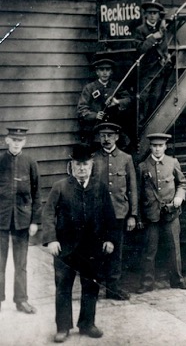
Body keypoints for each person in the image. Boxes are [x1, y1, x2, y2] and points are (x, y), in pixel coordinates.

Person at [42, 143, 117, 343]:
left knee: (91, 286)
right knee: (63, 287)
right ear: (72, 165)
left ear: (91, 165)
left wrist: (110, 239)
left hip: (92, 248)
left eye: (85, 164)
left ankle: (87, 324)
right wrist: (51, 239)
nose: (82, 168)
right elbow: (48, 214)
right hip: (65, 249)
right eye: (78, 164)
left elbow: (109, 215)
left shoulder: (99, 187)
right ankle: (63, 327)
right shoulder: (60, 187)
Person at [136, 133, 186, 293]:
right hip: (150, 215)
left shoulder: (172, 162)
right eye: (154, 146)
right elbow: (138, 194)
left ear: (165, 146)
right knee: (149, 250)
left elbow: (182, 183)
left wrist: (179, 197)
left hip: (171, 214)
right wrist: (139, 216)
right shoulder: (143, 166)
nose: (157, 149)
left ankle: (177, 280)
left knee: (174, 249)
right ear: (150, 147)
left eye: (160, 146)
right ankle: (147, 283)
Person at [92, 123, 138, 300]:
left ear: (117, 137)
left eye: (110, 135)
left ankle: (113, 288)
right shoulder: (94, 158)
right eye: (103, 135)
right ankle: (94, 288)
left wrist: (133, 214)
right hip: (98, 215)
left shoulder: (126, 159)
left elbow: (132, 188)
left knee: (116, 252)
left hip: (119, 213)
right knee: (96, 250)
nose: (106, 139)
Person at [0, 127, 40, 314]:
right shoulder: (0, 161)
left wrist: (34, 221)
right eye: (13, 139)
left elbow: (37, 193)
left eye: (20, 140)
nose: (16, 143)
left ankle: (21, 300)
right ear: (7, 140)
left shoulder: (30, 162)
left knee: (21, 262)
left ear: (24, 142)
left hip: (22, 220)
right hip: (1, 219)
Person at [76, 59, 131, 146]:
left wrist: (117, 102)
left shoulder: (116, 86)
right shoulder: (90, 88)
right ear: (97, 72)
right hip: (96, 130)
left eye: (107, 70)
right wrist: (95, 115)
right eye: (101, 70)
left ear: (111, 72)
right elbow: (82, 109)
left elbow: (128, 99)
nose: (104, 73)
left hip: (114, 128)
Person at [134, 2, 171, 121]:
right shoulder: (140, 30)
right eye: (150, 13)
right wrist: (153, 37)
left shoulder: (162, 30)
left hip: (159, 70)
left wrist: (166, 55)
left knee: (156, 97)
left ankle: (150, 122)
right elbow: (140, 49)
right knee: (143, 97)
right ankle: (140, 122)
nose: (152, 16)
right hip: (146, 70)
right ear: (145, 15)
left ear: (158, 16)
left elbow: (164, 47)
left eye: (155, 13)